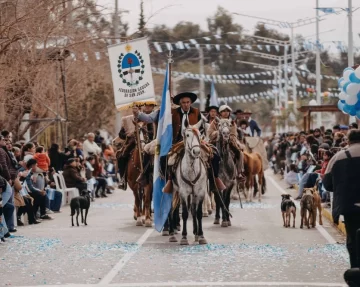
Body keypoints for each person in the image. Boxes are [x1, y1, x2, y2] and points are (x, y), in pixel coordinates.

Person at [134, 92, 226, 192]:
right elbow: (149, 118)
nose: (186, 104)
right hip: (177, 143)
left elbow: (204, 127)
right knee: (163, 159)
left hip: (194, 142)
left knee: (215, 156)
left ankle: (214, 180)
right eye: (183, 102)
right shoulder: (171, 112)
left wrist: (205, 137)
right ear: (180, 103)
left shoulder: (197, 112)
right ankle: (168, 181)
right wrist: (137, 114)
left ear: (190, 102)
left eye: (188, 102)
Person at [323, 129, 360, 269]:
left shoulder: (338, 157)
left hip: (350, 206)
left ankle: (355, 271)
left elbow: (327, 183)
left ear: (348, 141)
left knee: (352, 239)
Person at [208, 105, 245, 182]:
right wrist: (217, 133)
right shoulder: (215, 121)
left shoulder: (232, 122)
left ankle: (239, 172)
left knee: (239, 153)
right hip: (216, 142)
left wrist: (229, 138)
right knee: (207, 153)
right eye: (223, 111)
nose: (225, 113)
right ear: (220, 113)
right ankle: (208, 172)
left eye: (227, 111)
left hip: (229, 142)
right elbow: (210, 133)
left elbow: (234, 134)